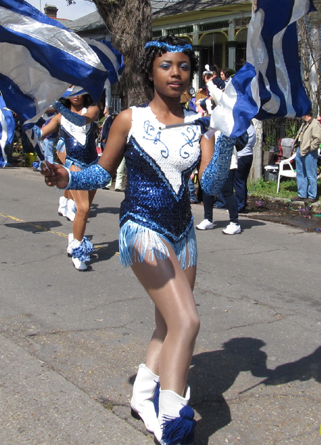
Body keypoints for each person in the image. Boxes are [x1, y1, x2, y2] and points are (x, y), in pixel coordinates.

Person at [41, 37, 234, 443]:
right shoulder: (130, 119)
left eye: (183, 66)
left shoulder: (200, 126)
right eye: (166, 65)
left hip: (183, 233)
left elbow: (210, 187)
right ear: (150, 72)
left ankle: (142, 396)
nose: (176, 73)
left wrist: (226, 139)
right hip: (142, 228)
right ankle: (173, 417)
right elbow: (101, 172)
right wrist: (67, 176)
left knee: (168, 322)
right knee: (187, 320)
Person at [35, 90, 101, 271]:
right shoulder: (58, 118)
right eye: (72, 91)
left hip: (92, 166)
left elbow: (80, 121)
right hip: (73, 165)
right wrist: (26, 124)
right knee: (83, 208)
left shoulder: (93, 110)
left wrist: (57, 106)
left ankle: (74, 238)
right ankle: (78, 250)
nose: (76, 95)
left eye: (80, 90)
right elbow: (39, 134)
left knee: (84, 211)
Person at [294, 112, 321, 202]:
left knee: (311, 174)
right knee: (300, 173)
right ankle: (302, 194)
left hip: (309, 152)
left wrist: (311, 148)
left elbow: (319, 138)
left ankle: (312, 195)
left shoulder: (315, 123)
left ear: (306, 114)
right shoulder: (304, 124)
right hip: (300, 149)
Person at [233, 123, 256, 213]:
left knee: (238, 181)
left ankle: (240, 206)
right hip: (249, 155)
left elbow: (237, 141)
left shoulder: (242, 127)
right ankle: (242, 203)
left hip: (241, 156)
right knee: (242, 181)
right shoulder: (251, 128)